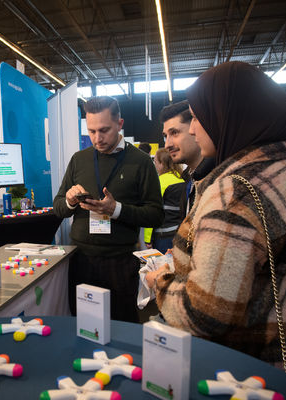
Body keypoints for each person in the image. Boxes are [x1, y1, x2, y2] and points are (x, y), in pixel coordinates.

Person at [147, 62, 286, 390]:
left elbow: (204, 314)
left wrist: (160, 282)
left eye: (198, 117)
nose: (193, 130)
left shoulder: (236, 193)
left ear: (228, 115)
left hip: (245, 376)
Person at [53, 96, 164, 323]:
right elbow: (58, 208)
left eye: (104, 130)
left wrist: (116, 210)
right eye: (91, 131)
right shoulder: (79, 159)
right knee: (84, 325)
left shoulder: (141, 162)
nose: (97, 138)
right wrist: (70, 201)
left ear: (119, 124)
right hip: (81, 260)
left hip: (120, 263)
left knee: (121, 325)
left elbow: (156, 214)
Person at [159, 100, 214, 219]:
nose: (167, 144)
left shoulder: (217, 182)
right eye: (165, 136)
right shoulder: (189, 181)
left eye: (174, 133)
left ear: (195, 129)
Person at [150, 149, 185, 253]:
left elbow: (151, 212)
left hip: (162, 236)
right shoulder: (183, 179)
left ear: (162, 164)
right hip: (180, 233)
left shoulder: (159, 182)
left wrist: (147, 239)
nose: (155, 165)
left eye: (155, 162)